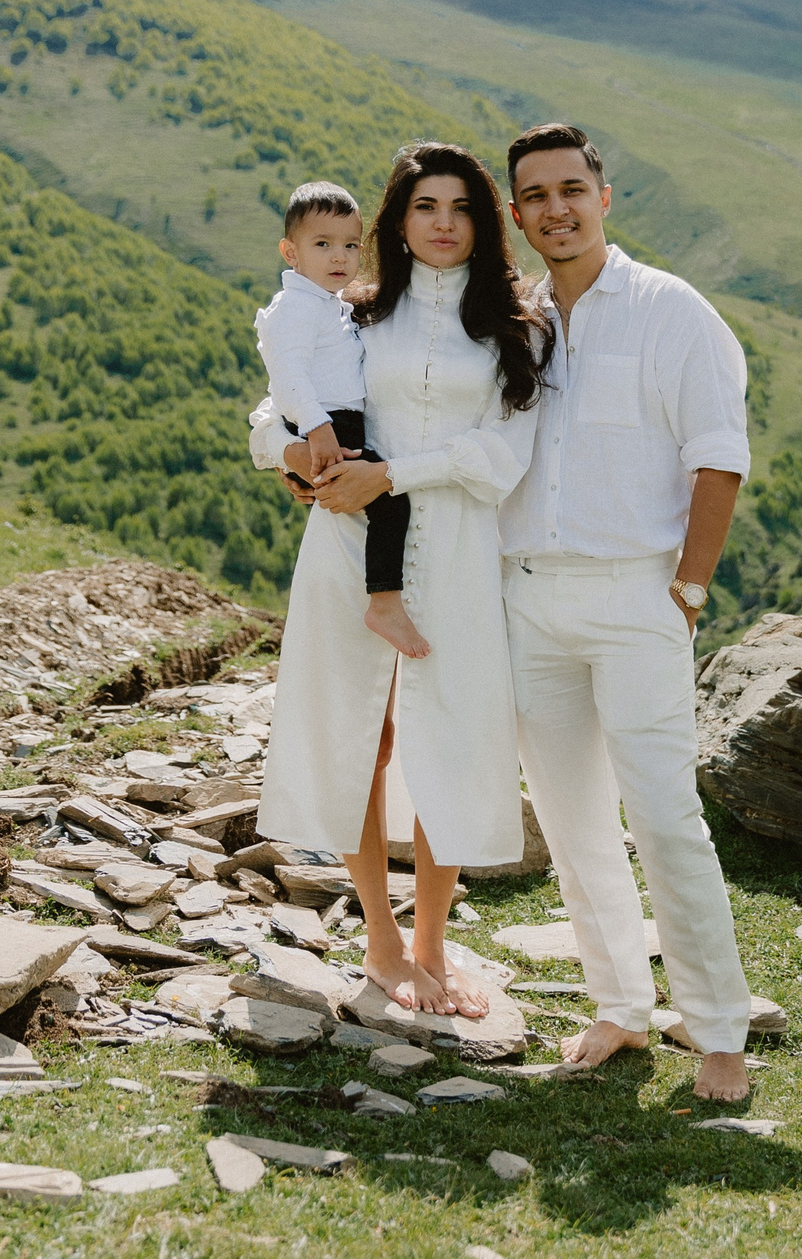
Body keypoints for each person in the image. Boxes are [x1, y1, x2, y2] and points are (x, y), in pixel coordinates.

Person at [249, 142, 547, 1018]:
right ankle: (382, 942)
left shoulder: (518, 324)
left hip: (455, 547)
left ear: (485, 221)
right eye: (425, 206)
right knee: (361, 737)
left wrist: (395, 475)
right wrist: (288, 454)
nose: (443, 222)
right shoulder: (356, 311)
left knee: (444, 738)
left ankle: (433, 945)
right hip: (346, 540)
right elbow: (276, 405)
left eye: (460, 207)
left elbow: (505, 453)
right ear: (397, 220)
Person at [498, 122, 757, 1103]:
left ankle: (720, 1033)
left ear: (604, 199)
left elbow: (717, 454)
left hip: (637, 595)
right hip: (528, 601)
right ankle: (618, 1010)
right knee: (571, 825)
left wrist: (688, 589)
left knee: (664, 819)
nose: (556, 209)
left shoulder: (669, 310)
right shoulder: (515, 319)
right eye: (536, 195)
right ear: (517, 214)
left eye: (572, 189)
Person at [252, 181, 425, 659]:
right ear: (291, 251)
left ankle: (371, 618)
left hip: (336, 424)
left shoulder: (330, 306)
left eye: (350, 245)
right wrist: (315, 428)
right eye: (322, 244)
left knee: (369, 516)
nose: (339, 257)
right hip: (331, 427)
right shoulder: (294, 309)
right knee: (391, 502)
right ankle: (384, 604)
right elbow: (286, 375)